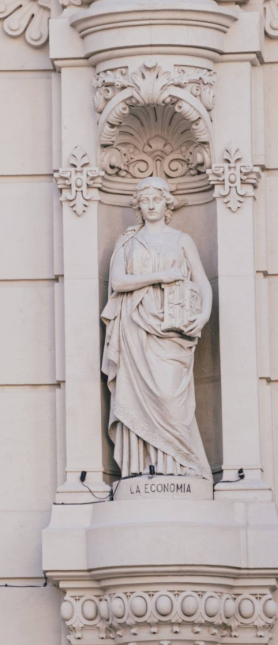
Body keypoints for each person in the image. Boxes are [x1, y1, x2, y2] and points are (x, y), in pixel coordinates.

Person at [102, 176, 211, 478]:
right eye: (145, 200)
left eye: (157, 199)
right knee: (138, 397)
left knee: (169, 397)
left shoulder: (181, 240)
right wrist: (160, 276)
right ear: (138, 205)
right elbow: (118, 282)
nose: (151, 205)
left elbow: (201, 281)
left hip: (174, 332)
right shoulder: (128, 241)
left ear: (167, 204)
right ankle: (142, 466)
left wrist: (203, 314)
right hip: (136, 327)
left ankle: (182, 464)